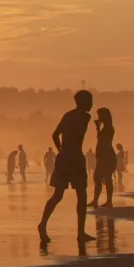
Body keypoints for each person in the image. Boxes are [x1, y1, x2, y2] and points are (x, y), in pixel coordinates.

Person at [38, 90, 94, 236]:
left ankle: (43, 224)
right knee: (82, 195)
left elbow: (55, 134)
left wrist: (61, 149)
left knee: (58, 195)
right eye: (90, 101)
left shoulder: (68, 115)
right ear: (82, 102)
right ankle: (80, 232)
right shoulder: (86, 117)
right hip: (75, 158)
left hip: (63, 158)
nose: (92, 104)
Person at [89, 107, 119, 208]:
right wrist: (98, 128)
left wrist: (101, 157)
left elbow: (103, 141)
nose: (98, 117)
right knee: (99, 178)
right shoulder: (106, 127)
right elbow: (100, 139)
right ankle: (98, 200)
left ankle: (107, 201)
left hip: (107, 156)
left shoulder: (109, 128)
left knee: (104, 178)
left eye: (100, 115)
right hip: (105, 156)